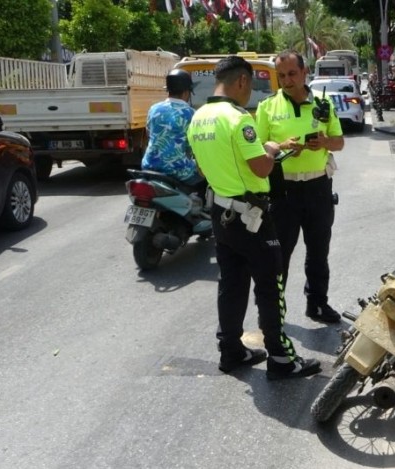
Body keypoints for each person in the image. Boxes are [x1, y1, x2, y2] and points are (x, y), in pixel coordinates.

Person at [186, 55, 321, 380]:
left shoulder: (198, 118)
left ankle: (230, 350)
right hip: (252, 215)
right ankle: (281, 358)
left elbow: (203, 169)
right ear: (242, 81)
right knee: (270, 283)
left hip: (222, 212)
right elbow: (261, 167)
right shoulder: (238, 118)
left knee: (231, 283)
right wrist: (271, 149)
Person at [256, 50, 346, 325]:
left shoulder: (324, 103)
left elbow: (339, 142)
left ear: (305, 72)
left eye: (292, 73)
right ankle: (271, 312)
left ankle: (317, 304)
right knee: (278, 255)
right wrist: (282, 147)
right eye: (281, 75)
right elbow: (258, 150)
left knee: (319, 252)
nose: (286, 80)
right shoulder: (267, 107)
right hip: (284, 191)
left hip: (319, 186)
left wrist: (324, 143)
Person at [141, 69, 206, 199]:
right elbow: (195, 145)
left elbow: (149, 135)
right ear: (187, 92)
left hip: (149, 166)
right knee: (208, 182)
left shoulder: (154, 109)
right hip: (178, 170)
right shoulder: (191, 114)